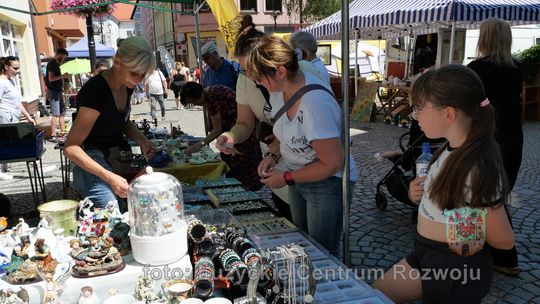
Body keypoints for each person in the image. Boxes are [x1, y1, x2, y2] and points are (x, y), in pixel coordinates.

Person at [372, 65, 515, 303]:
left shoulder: (476, 166)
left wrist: (462, 223)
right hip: (425, 255)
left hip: (453, 269)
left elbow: (504, 239)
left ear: (449, 113)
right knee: (373, 296)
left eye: (419, 108)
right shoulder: (450, 148)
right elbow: (450, 200)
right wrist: (418, 193)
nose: (414, 115)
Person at [243, 36, 357, 254]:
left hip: (328, 184)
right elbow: (285, 132)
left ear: (281, 72)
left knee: (322, 253)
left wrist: (285, 178)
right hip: (299, 178)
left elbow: (333, 163)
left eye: (260, 77)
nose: (257, 83)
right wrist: (272, 156)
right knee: (304, 245)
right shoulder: (279, 92)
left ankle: (326, 286)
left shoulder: (314, 103)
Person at [64, 36, 156, 209]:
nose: (138, 79)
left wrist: (142, 140)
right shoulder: (95, 91)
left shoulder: (127, 85)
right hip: (92, 161)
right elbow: (70, 148)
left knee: (136, 208)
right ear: (118, 62)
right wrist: (109, 177)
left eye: (142, 74)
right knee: (114, 213)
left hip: (114, 156)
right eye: (134, 73)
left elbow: (121, 120)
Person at [467, 18, 523, 276]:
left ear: (485, 38)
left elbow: (471, 105)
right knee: (499, 192)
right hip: (513, 135)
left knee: (487, 195)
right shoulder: (517, 68)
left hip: (489, 136)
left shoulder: (476, 69)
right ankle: (494, 247)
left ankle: (506, 257)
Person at [180, 81, 262, 191]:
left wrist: (199, 145)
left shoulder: (212, 98)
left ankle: (243, 193)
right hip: (238, 129)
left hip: (242, 131)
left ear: (198, 95)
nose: (195, 104)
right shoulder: (211, 92)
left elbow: (217, 130)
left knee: (242, 166)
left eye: (193, 101)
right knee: (236, 164)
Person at [0, 56, 36, 180]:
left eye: (19, 68)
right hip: (4, 115)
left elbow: (18, 102)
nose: (18, 71)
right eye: (15, 68)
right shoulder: (1, 82)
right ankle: (2, 171)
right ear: (6, 67)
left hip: (14, 115)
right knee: (6, 142)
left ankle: (7, 168)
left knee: (14, 141)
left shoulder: (12, 81)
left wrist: (28, 117)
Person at [45, 48, 70, 138]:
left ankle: (63, 132)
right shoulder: (52, 64)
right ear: (59, 55)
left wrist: (64, 79)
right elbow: (51, 78)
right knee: (55, 114)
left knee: (62, 113)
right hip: (53, 91)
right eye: (64, 57)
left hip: (58, 91)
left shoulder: (57, 64)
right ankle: (52, 135)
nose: (64, 60)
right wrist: (63, 76)